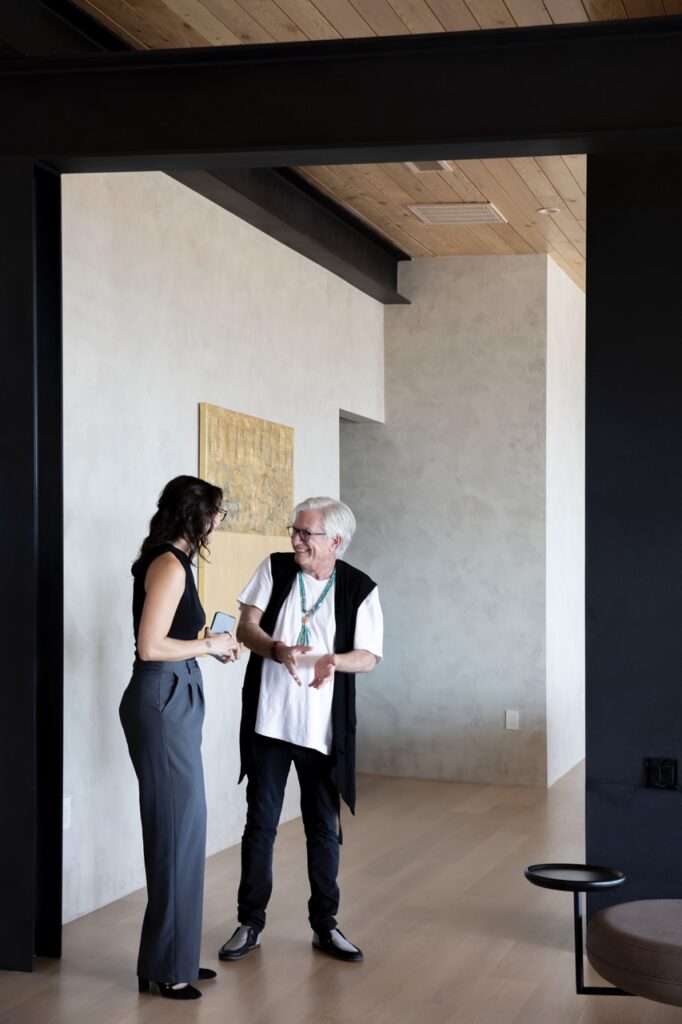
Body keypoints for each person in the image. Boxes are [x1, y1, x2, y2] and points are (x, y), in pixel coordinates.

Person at [218, 497, 383, 964]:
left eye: (305, 534)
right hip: (270, 722)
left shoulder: (360, 588)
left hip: (322, 732)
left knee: (323, 831)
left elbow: (369, 656)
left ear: (335, 540)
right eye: (294, 530)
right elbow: (247, 627)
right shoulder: (275, 569)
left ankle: (325, 926)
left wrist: (337, 660)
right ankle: (249, 923)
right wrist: (275, 647)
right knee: (260, 826)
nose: (295, 540)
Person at [120, 475, 242, 1000]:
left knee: (185, 831)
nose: (217, 523)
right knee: (176, 834)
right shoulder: (169, 563)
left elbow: (168, 639)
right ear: (195, 517)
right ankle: (167, 969)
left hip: (172, 697)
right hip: (162, 700)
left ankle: (173, 958)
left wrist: (206, 645)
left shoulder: (174, 560)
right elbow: (149, 647)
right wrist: (208, 643)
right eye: (214, 513)